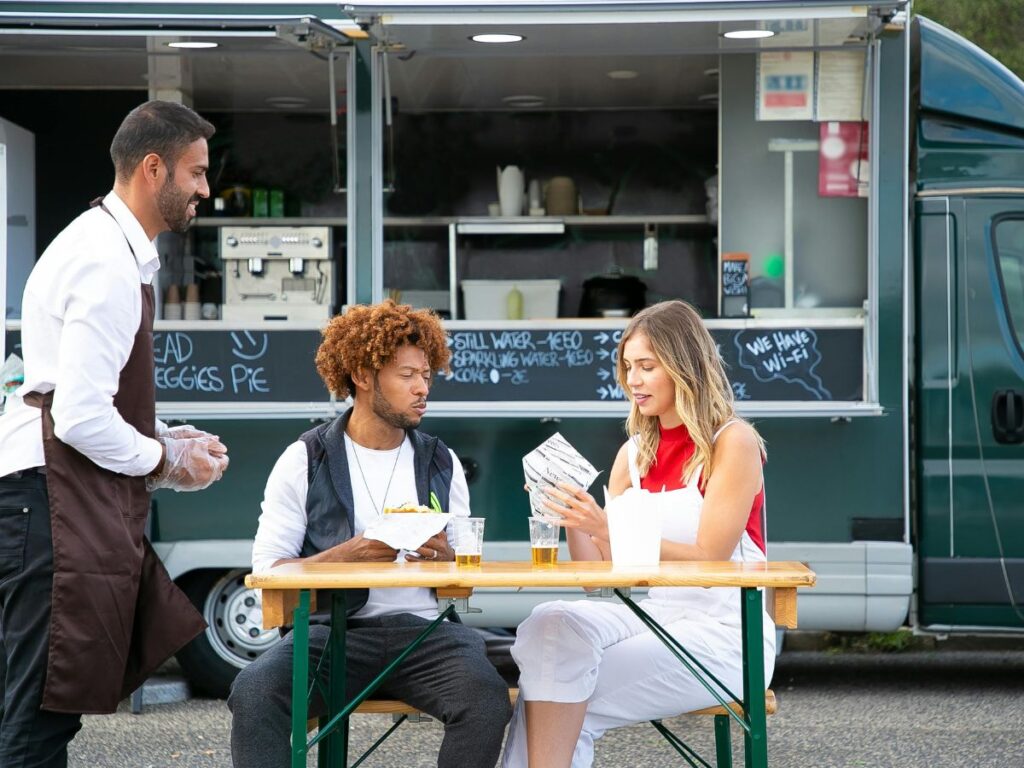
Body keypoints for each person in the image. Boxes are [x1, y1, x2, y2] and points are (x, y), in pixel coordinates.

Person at [0, 99, 230, 767]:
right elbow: (76, 416)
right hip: (49, 504)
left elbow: (81, 396)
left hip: (45, 496)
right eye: (196, 173)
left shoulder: (104, 245)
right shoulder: (106, 262)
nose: (204, 190)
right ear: (152, 167)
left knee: (36, 709)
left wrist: (166, 435)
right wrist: (166, 460)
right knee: (38, 717)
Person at [228, 300, 512, 768]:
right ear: (362, 375)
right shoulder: (305, 458)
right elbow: (268, 571)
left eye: (427, 375)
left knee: (484, 699)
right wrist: (350, 555)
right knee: (256, 691)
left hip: (424, 635)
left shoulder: (441, 460)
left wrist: (445, 556)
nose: (423, 389)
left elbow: (464, 576)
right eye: (407, 376)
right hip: (332, 634)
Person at [502, 300, 773, 768]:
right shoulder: (633, 453)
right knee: (552, 624)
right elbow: (594, 577)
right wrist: (571, 512)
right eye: (628, 367)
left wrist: (608, 524)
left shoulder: (733, 442)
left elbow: (710, 558)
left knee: (551, 692)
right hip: (656, 616)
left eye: (647, 367)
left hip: (726, 633)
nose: (633, 381)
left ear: (684, 367)